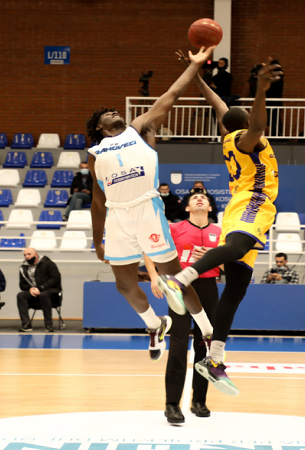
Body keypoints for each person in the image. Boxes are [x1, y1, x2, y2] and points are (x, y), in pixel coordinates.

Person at [160, 53, 283, 396]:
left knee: (237, 287)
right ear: (247, 120)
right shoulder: (246, 138)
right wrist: (261, 90)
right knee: (236, 248)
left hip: (253, 208)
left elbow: (218, 105)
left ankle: (214, 359)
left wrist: (198, 75)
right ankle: (180, 280)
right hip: (252, 201)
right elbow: (256, 125)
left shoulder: (228, 134)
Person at [85, 46, 216, 361]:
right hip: (117, 217)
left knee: (174, 279)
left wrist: (195, 66)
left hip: (147, 210)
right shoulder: (94, 154)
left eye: (115, 110)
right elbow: (98, 203)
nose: (114, 112)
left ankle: (207, 331)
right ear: (99, 126)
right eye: (107, 113)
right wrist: (98, 240)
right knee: (124, 285)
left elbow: (171, 95)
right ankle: (155, 325)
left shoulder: (138, 128)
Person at [144, 192, 220, 424]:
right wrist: (154, 276)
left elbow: (231, 263)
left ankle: (199, 401)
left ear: (210, 208)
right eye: (194, 198)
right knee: (178, 345)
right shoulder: (174, 228)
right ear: (187, 208)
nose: (199, 199)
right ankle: (172, 404)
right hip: (180, 287)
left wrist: (213, 257)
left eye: (203, 198)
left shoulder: (220, 232)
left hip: (209, 287)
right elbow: (149, 249)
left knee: (204, 345)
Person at [17, 247, 62, 333]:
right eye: (25, 255)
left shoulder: (49, 264)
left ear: (36, 255)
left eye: (29, 254)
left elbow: (55, 279)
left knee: (43, 294)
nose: (26, 257)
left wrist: (40, 288)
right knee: (21, 295)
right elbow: (22, 284)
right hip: (34, 293)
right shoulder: (23, 268)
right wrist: (30, 288)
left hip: (51, 293)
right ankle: (26, 324)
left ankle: (48, 324)